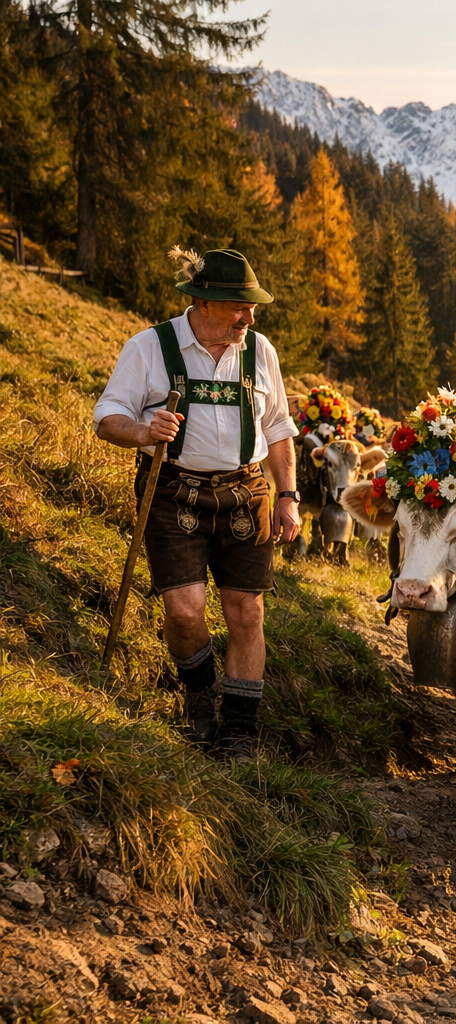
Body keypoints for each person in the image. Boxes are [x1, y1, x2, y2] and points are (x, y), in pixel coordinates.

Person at [94, 248, 302, 763]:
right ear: (204, 301)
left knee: (247, 613)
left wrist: (289, 497)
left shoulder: (260, 352)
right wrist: (142, 430)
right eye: (240, 307)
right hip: (171, 490)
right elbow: (107, 416)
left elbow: (278, 429)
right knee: (184, 611)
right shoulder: (150, 347)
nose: (249, 318)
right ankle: (199, 698)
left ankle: (237, 733)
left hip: (246, 493)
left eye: (251, 309)